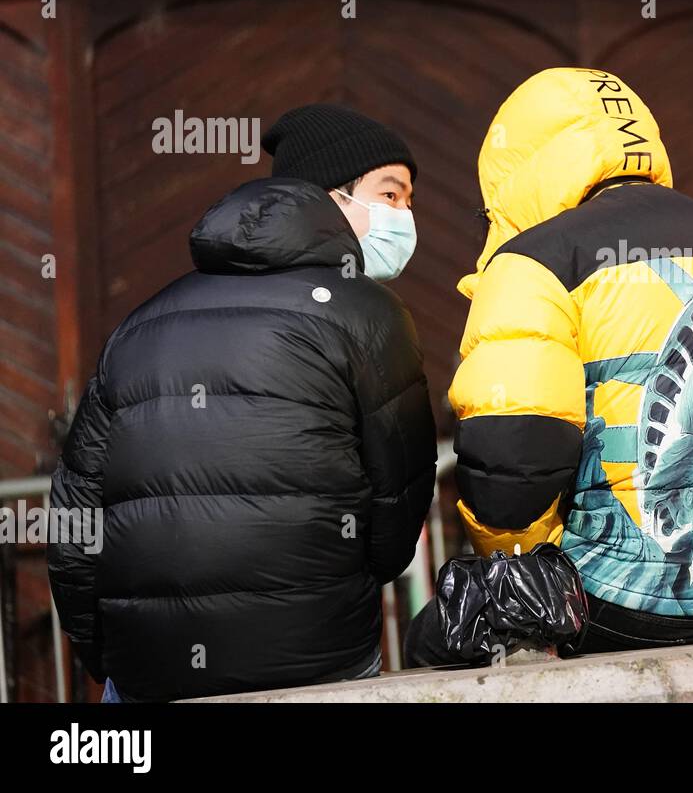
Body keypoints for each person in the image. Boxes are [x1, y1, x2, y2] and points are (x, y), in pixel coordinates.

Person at [47, 104, 438, 700]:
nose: (404, 217)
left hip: (149, 671)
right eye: (390, 195)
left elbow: (75, 513)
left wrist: (103, 652)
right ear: (332, 200)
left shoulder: (141, 324)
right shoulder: (369, 317)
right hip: (316, 668)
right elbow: (398, 506)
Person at [442, 68, 693, 657]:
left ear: (513, 172)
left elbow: (511, 458)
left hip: (621, 605)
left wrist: (527, 577)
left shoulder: (536, 263)